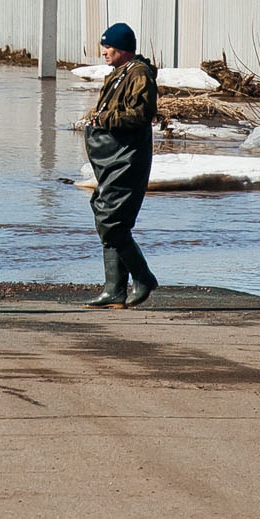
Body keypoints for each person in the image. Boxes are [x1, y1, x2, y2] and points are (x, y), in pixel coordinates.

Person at [84, 21, 159, 308]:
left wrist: (105, 121)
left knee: (112, 221)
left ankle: (142, 277)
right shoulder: (117, 74)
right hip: (112, 157)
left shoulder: (138, 74)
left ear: (124, 48)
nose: (104, 51)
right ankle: (114, 289)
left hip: (129, 157)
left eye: (109, 46)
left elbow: (141, 114)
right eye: (103, 46)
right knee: (104, 211)